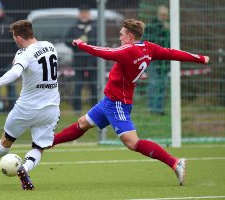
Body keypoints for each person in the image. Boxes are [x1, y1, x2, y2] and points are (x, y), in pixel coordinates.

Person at [52, 18, 209, 186]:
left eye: (121, 35)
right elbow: (172, 53)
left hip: (118, 103)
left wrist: (81, 44)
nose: (120, 38)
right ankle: (50, 142)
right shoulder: (149, 48)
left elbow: (106, 52)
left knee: (132, 143)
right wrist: (199, 58)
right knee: (83, 123)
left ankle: (174, 162)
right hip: (109, 101)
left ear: (129, 36)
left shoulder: (129, 51)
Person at [0, 20, 60, 190]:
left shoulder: (23, 53)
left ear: (19, 38)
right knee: (39, 147)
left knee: (7, 140)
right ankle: (24, 169)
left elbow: (15, 73)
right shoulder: (50, 46)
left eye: (14, 37)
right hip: (51, 108)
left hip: (26, 108)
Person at [65, 5, 97, 114]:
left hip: (93, 61)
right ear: (79, 14)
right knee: (78, 86)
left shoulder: (95, 26)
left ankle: (95, 111)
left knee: (94, 86)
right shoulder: (74, 27)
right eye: (82, 12)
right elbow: (67, 41)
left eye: (86, 12)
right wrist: (76, 42)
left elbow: (99, 41)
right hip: (79, 61)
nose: (84, 15)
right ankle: (77, 110)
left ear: (89, 14)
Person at [144, 5, 170, 115]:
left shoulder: (169, 26)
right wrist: (163, 29)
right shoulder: (152, 26)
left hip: (165, 61)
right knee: (154, 84)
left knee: (163, 85)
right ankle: (152, 109)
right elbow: (151, 41)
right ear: (158, 14)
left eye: (165, 15)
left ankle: (160, 109)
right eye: (162, 15)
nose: (164, 17)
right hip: (154, 60)